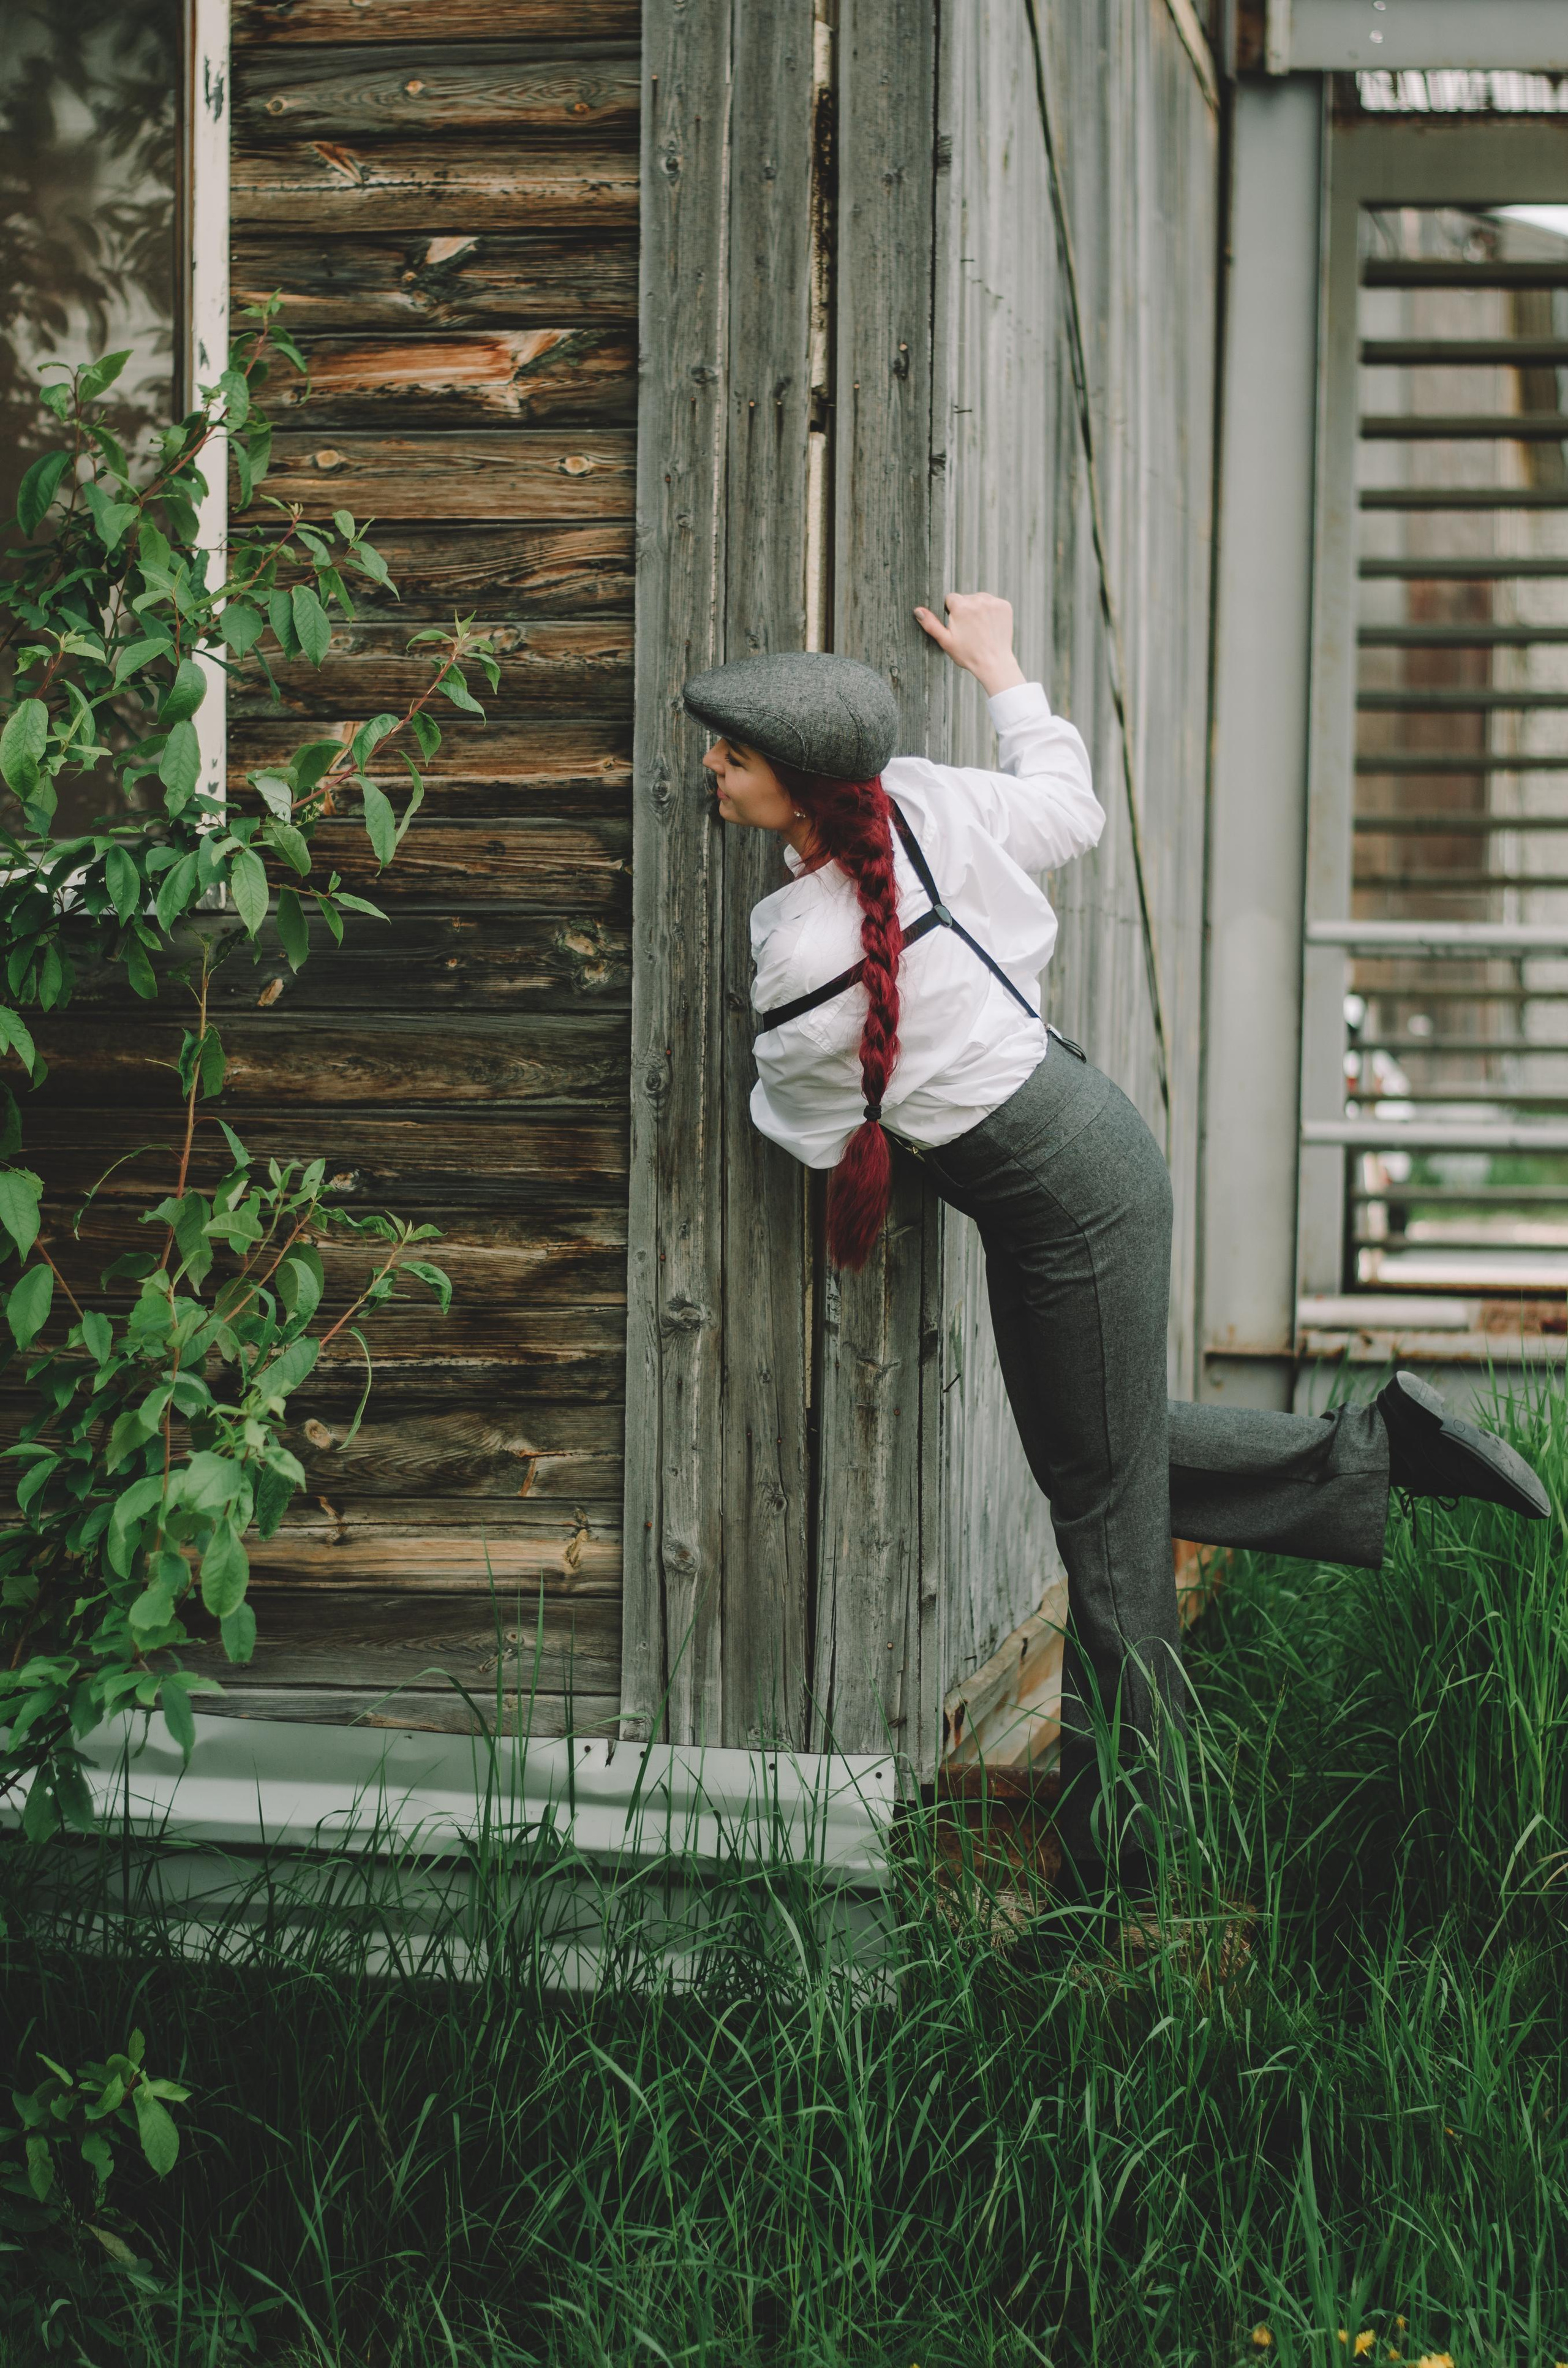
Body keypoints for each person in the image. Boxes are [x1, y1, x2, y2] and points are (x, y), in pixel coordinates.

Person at [683, 592, 1551, 1889]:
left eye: (733, 754)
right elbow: (1068, 812)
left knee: (1105, 1519)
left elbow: (806, 1130)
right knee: (1100, 1470)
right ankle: (1375, 1454)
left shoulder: (800, 952)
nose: (709, 767)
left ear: (799, 788)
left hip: (1063, 1203)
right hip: (1088, 1146)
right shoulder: (923, 797)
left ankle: (1142, 1862)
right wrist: (1003, 669)